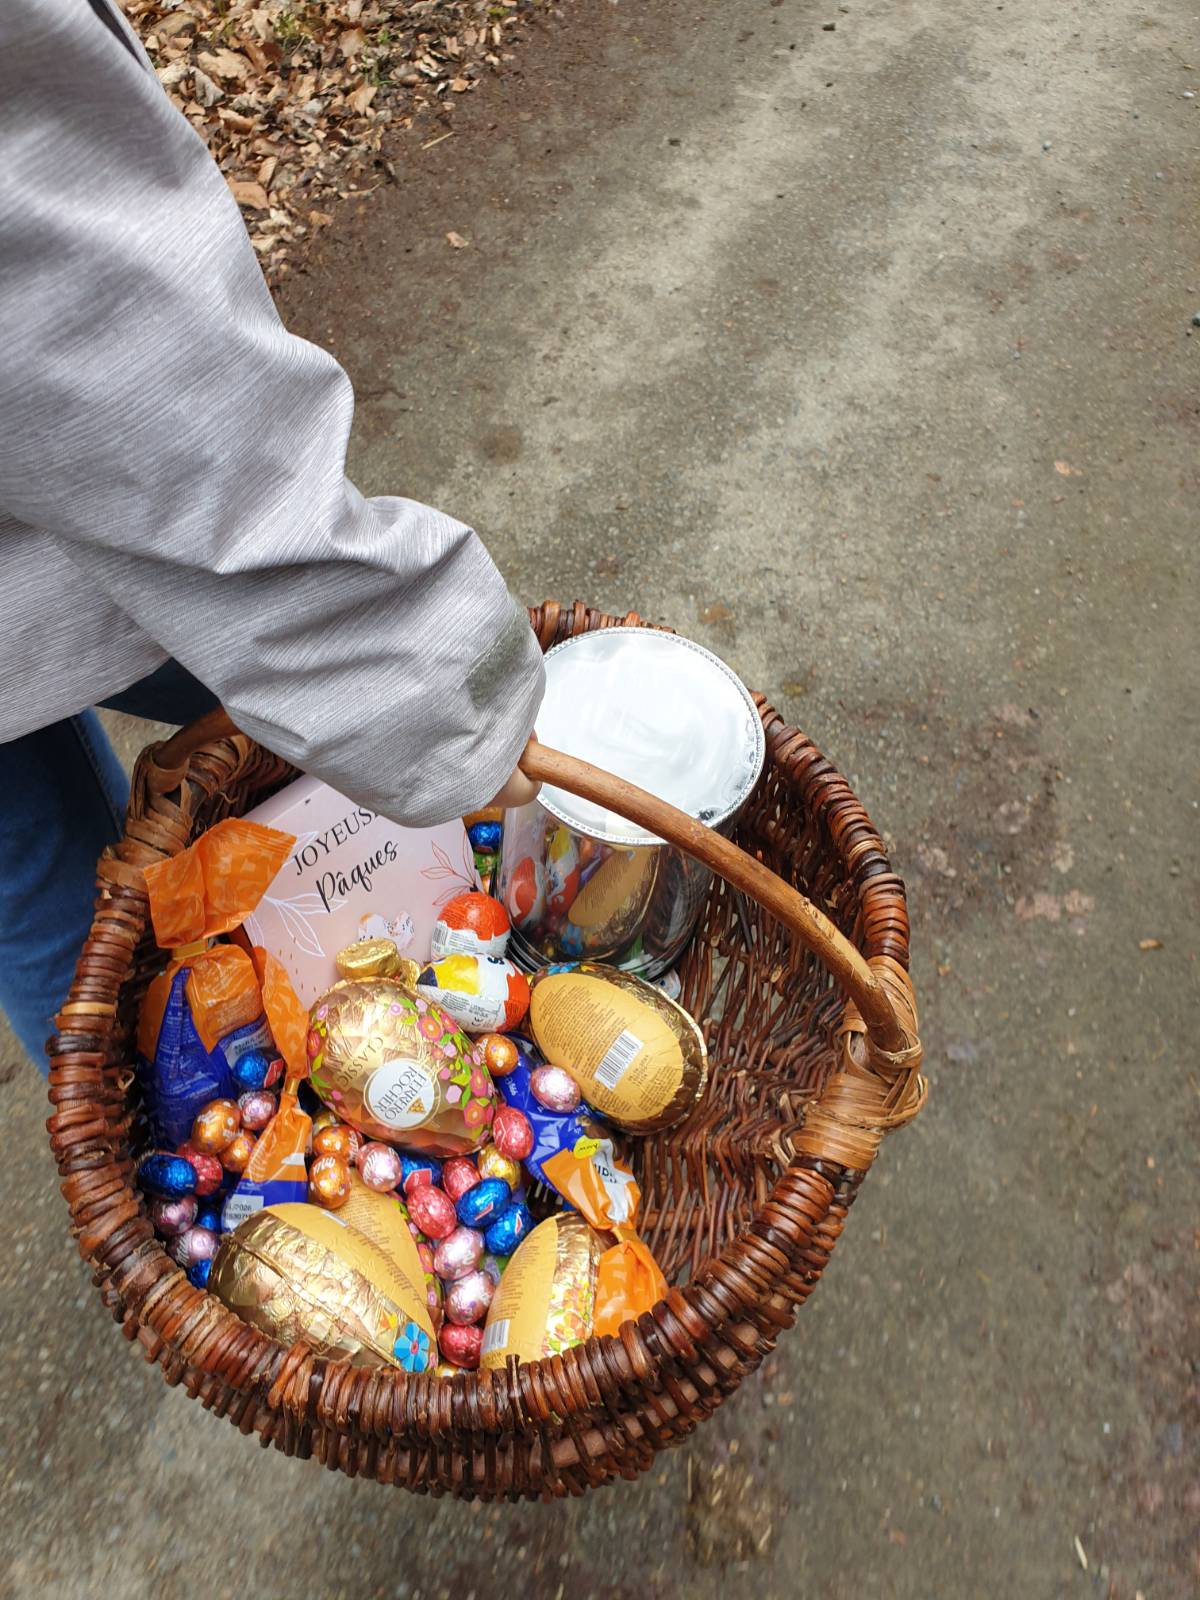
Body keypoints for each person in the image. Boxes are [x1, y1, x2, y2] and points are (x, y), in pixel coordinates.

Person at [0, 0, 544, 1070]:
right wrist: (410, 675)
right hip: (87, 494)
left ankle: (173, 1122)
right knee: (81, 898)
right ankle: (187, 1142)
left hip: (50, 512)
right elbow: (63, 317)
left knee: (45, 871)